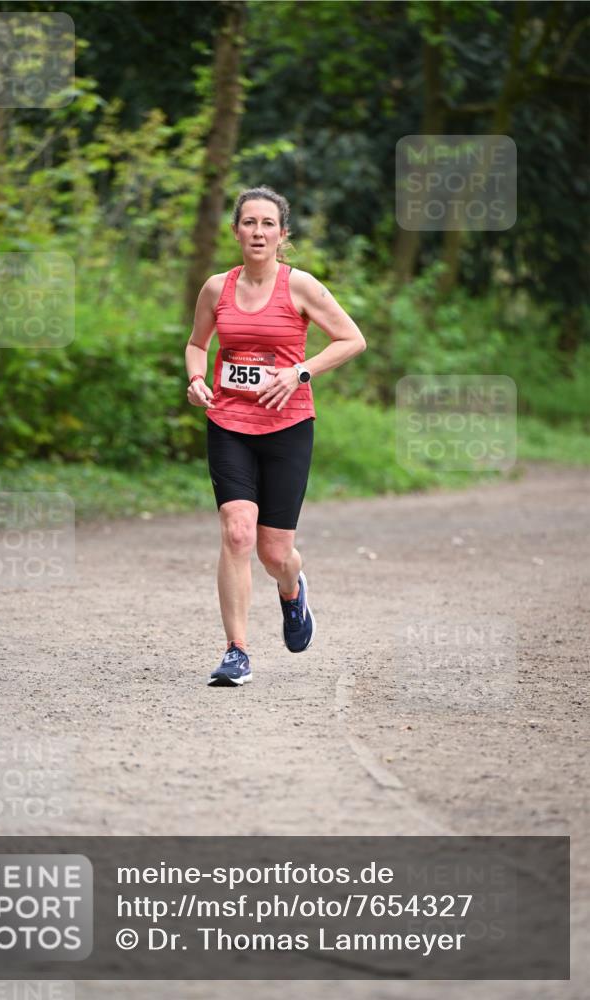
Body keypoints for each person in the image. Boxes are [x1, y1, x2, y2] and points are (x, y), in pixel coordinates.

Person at [185, 186, 366, 687]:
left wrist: (299, 372)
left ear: (282, 234)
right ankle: (236, 651)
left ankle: (292, 589)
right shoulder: (216, 288)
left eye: (268, 224)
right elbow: (197, 344)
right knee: (237, 531)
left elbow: (352, 339)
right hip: (229, 423)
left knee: (274, 553)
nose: (258, 232)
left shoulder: (300, 286)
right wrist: (196, 378)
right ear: (235, 231)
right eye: (249, 223)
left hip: (288, 427)